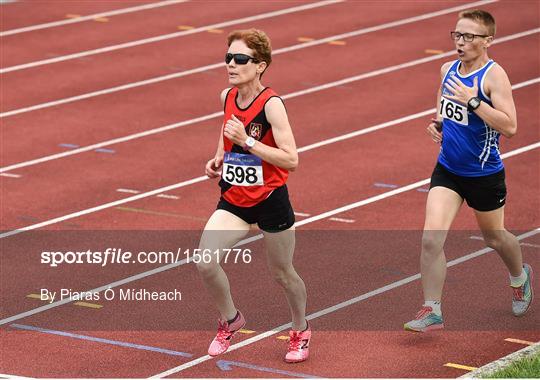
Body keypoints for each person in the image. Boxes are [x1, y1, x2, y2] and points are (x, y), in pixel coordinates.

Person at [404, 10, 533, 332]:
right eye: (457, 35)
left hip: (484, 173)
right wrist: (439, 123)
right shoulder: (447, 69)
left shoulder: (494, 76)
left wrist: (474, 102)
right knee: (431, 240)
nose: (460, 42)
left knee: (494, 238)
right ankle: (432, 308)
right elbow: (445, 101)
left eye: (469, 37)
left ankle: (520, 277)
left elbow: (511, 126)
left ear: (487, 40)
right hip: (448, 169)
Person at [197, 28, 310, 362]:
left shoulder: (272, 105)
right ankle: (230, 320)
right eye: (228, 57)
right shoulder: (227, 96)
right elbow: (228, 131)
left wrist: (247, 142)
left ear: (260, 65)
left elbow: (291, 159)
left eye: (240, 59)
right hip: (234, 197)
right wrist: (219, 156)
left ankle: (300, 329)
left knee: (282, 273)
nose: (231, 64)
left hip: (270, 199)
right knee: (204, 261)